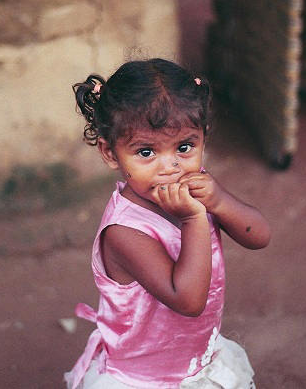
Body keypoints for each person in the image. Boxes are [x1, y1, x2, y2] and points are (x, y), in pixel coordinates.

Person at [65, 58, 271, 389]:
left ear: (204, 137)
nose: (170, 167)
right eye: (146, 152)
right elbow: (187, 300)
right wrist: (194, 218)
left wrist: (219, 201)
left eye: (185, 147)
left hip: (196, 362)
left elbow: (260, 236)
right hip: (143, 380)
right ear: (109, 152)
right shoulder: (124, 232)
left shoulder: (200, 188)